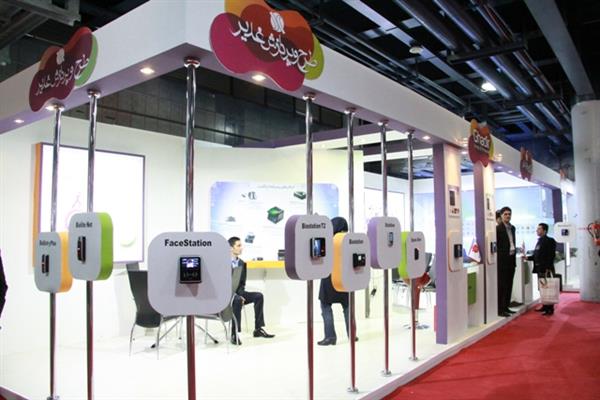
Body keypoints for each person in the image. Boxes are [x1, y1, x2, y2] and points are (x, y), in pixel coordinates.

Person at [228, 236, 275, 345]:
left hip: (239, 293)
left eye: (241, 245)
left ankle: (258, 329)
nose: (241, 248)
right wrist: (235, 296)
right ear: (231, 248)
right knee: (238, 300)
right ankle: (234, 334)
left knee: (258, 296)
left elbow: (242, 283)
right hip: (227, 295)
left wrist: (240, 294)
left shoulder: (242, 263)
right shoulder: (222, 263)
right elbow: (222, 284)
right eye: (238, 245)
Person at [317, 217, 352, 346]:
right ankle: (352, 334)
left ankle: (330, 337)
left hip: (328, 278)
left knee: (325, 306)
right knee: (347, 307)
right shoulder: (349, 241)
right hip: (345, 278)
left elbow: (318, 256)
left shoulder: (326, 240)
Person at [523, 223, 557, 315]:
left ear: (544, 231)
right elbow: (536, 255)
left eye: (539, 229)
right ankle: (544, 305)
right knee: (542, 288)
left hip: (546, 268)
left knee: (548, 288)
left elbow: (551, 255)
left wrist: (548, 267)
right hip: (539, 268)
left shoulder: (549, 241)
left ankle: (550, 308)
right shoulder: (539, 241)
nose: (537, 230)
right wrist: (528, 258)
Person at [496, 206, 517, 317]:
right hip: (502, 261)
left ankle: (506, 307)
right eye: (505, 214)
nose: (508, 216)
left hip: (511, 260)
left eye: (509, 214)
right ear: (501, 215)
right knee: (502, 285)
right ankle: (500, 309)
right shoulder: (498, 229)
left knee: (509, 285)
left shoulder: (512, 228)